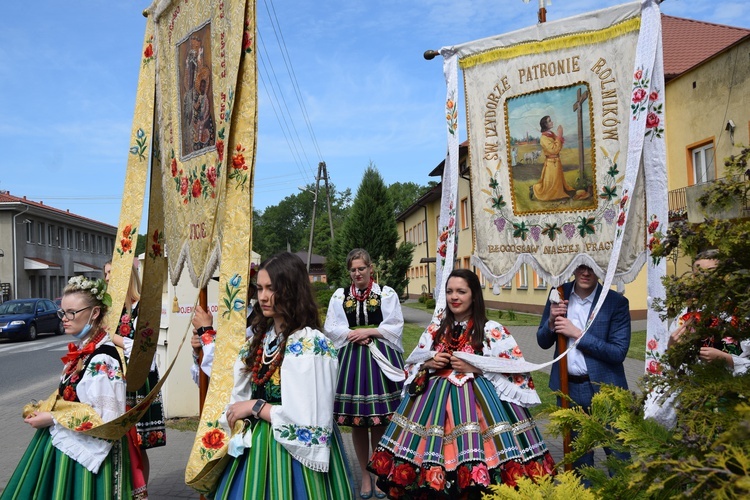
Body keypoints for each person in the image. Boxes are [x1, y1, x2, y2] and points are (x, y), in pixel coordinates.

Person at [369, 269, 555, 498]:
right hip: (433, 407)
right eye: (449, 292)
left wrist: (476, 367)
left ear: (474, 295)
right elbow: (413, 364)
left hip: (482, 406)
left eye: (461, 291)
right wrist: (430, 362)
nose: (454, 297)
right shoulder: (435, 329)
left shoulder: (491, 330)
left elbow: (516, 368)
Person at [212, 252, 354, 498]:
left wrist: (255, 407)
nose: (263, 296)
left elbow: (307, 414)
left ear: (291, 290)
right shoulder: (258, 341)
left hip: (294, 454)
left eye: (272, 288)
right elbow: (230, 385)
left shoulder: (310, 344)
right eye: (260, 288)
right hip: (256, 448)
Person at [1, 276, 143, 499]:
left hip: (89, 456)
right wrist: (46, 407)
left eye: (71, 313)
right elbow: (72, 396)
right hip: (72, 446)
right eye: (62, 313)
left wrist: (53, 418)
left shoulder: (103, 359)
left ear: (95, 313)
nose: (64, 319)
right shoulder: (84, 350)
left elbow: (106, 418)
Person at [324, 248, 405, 499]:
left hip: (379, 358)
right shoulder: (340, 296)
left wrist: (367, 332)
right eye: (353, 269)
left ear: (370, 268)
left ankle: (381, 474)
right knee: (358, 422)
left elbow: (394, 324)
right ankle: (365, 476)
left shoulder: (386, 293)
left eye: (361, 268)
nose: (357, 273)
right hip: (352, 360)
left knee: (379, 420)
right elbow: (332, 326)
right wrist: (351, 334)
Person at [536, 264, 631, 472]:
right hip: (568, 389)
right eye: (580, 267)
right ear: (572, 266)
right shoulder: (559, 294)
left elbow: (617, 352)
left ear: (601, 268)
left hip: (605, 390)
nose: (586, 273)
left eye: (592, 267)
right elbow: (542, 341)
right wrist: (551, 321)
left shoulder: (616, 302)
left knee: (618, 455)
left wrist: (577, 334)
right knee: (579, 460)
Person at [105, 260, 167, 482]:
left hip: (137, 380)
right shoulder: (110, 311)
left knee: (137, 443)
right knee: (116, 441)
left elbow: (142, 347)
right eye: (105, 273)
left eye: (111, 273)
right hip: (113, 380)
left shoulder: (143, 307)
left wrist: (110, 336)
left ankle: (141, 491)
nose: (106, 279)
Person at [190, 265, 258, 384]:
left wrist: (205, 333)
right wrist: (198, 353)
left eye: (234, 287)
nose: (227, 293)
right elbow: (206, 383)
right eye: (224, 288)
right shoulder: (226, 322)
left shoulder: (258, 323)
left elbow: (227, 373)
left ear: (250, 291)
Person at [531, 115, 575, 201]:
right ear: (545, 125)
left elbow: (559, 147)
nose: (552, 122)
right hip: (551, 162)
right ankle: (538, 190)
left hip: (556, 161)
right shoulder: (544, 138)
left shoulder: (551, 134)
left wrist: (558, 137)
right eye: (549, 121)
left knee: (557, 180)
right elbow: (554, 150)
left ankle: (559, 192)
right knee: (552, 181)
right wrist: (559, 135)